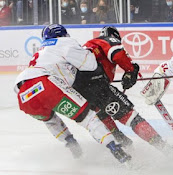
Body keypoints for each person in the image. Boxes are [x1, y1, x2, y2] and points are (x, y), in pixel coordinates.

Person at [14, 24, 131, 163]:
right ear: (62, 34)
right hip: (46, 84)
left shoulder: (41, 51)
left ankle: (73, 147)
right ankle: (118, 152)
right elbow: (91, 65)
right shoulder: (64, 42)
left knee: (50, 119)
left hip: (23, 94)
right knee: (88, 118)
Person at [71, 26, 173, 158]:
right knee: (131, 117)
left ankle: (124, 148)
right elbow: (117, 53)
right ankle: (163, 147)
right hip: (97, 87)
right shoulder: (107, 40)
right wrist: (130, 70)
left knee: (102, 118)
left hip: (78, 92)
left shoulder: (87, 46)